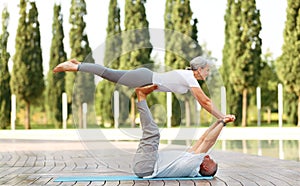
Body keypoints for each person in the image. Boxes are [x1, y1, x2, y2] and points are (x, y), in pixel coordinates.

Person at [53, 56, 225, 119]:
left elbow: (203, 101)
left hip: (145, 79)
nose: (208, 74)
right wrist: (221, 116)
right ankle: (75, 66)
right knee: (108, 73)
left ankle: (78, 64)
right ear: (200, 69)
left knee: (109, 74)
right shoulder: (189, 77)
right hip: (144, 78)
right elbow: (205, 101)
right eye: (207, 71)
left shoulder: (188, 78)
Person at [133, 84, 235, 178]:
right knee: (152, 132)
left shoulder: (193, 164)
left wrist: (223, 123)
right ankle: (141, 96)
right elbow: (202, 139)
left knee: (153, 133)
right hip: (146, 165)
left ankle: (141, 96)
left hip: (147, 165)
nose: (208, 156)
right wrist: (219, 121)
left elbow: (209, 142)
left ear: (206, 167)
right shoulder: (190, 158)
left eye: (211, 160)